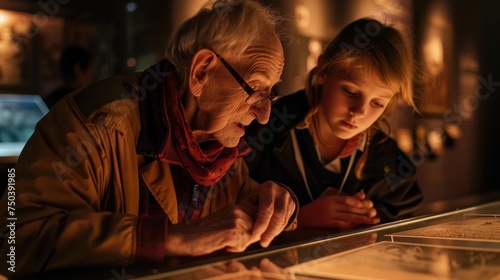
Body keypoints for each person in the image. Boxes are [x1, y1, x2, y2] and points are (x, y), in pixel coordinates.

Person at [0, 0, 298, 276]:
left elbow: (249, 207)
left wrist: (280, 204)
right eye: (256, 91)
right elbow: (14, 243)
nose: (264, 115)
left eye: (270, 94)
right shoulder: (99, 122)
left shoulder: (221, 149)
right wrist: (172, 239)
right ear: (202, 72)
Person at [245, 18, 423, 230]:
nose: (359, 111)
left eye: (377, 103)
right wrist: (300, 219)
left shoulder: (390, 163)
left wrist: (371, 220)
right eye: (350, 91)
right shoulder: (265, 126)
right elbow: (224, 209)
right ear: (323, 71)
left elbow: (400, 228)